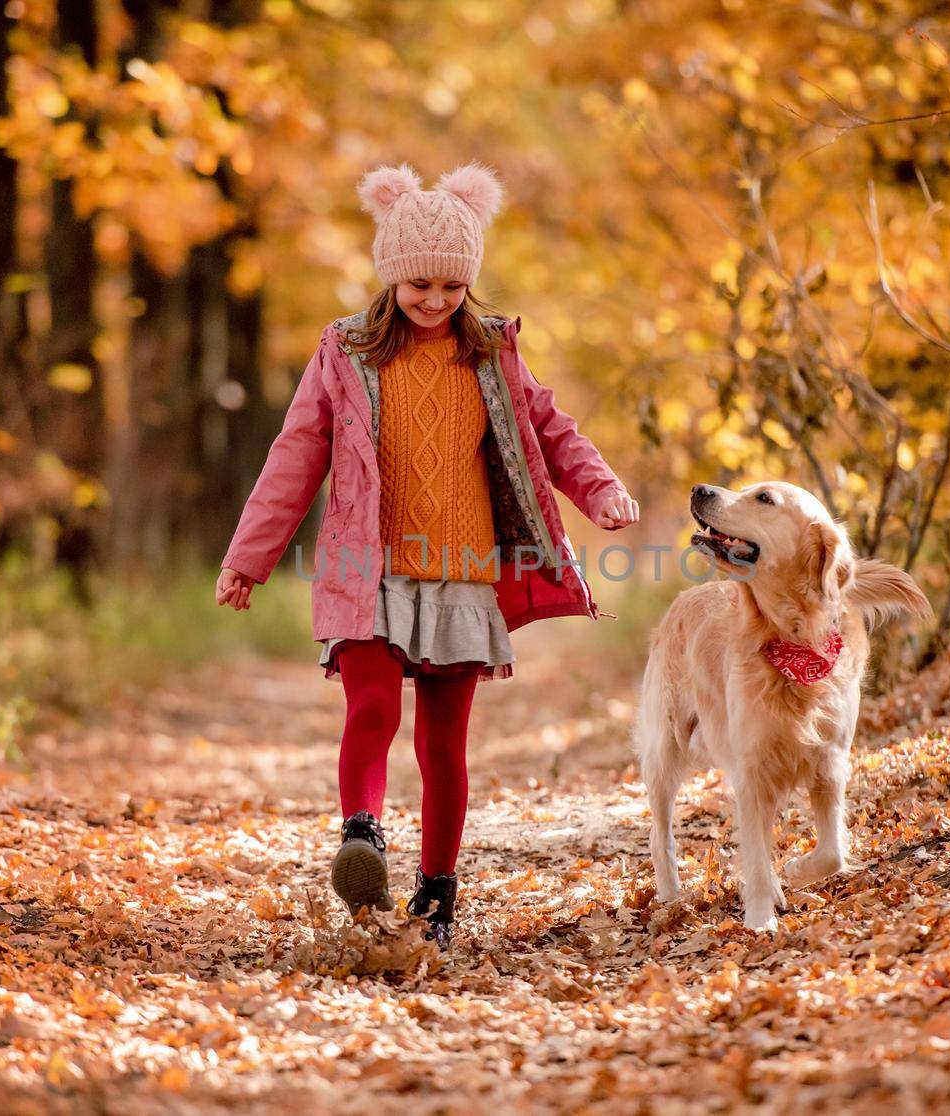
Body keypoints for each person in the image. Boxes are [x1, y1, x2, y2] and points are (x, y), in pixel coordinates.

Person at [215, 161, 638, 949]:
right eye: (420, 287)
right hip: (365, 565)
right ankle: (363, 837)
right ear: (391, 276)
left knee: (443, 741)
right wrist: (250, 557)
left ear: (469, 283)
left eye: (451, 287)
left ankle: (437, 895)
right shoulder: (345, 352)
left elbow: (553, 429)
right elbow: (295, 453)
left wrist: (602, 489)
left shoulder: (491, 352)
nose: (436, 301)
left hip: (463, 569)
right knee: (371, 707)